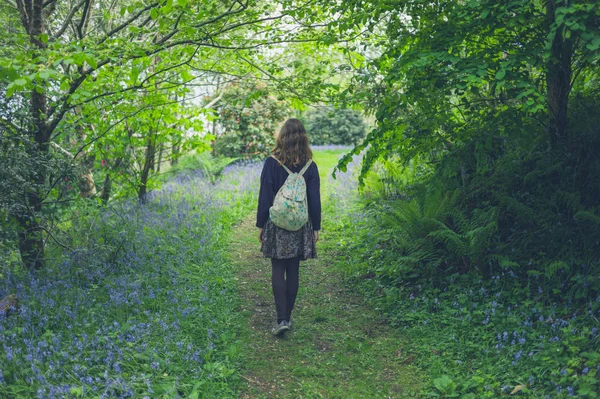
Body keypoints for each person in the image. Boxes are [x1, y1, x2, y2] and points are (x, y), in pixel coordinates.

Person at [256, 118, 321, 336]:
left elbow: (265, 196)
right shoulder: (310, 166)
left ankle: (281, 319)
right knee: (293, 269)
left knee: (278, 267)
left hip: (277, 224)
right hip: (300, 224)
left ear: (281, 137)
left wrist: (261, 224)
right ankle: (288, 318)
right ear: (303, 138)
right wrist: (316, 228)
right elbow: (314, 199)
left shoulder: (271, 162)